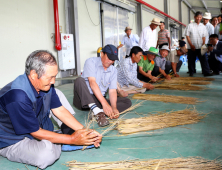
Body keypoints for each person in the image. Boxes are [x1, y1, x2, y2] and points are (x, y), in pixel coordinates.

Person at [0, 50, 102, 169]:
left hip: (34, 128)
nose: (53, 81)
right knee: (46, 155)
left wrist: (86, 132)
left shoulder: (46, 85)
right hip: (11, 139)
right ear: (33, 75)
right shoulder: (18, 96)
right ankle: (60, 140)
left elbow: (59, 110)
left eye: (55, 76)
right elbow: (35, 132)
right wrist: (72, 139)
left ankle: (58, 140)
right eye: (50, 77)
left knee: (57, 94)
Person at [73, 44, 132, 127]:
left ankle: (97, 111)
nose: (111, 61)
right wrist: (105, 104)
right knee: (79, 80)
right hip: (84, 99)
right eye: (109, 58)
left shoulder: (113, 70)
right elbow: (92, 83)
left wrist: (114, 108)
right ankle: (98, 112)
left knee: (127, 102)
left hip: (99, 100)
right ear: (102, 54)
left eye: (113, 60)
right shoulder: (91, 62)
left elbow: (112, 91)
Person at [184, 11, 213, 77]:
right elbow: (187, 36)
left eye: (200, 17)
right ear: (194, 17)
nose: (198, 18)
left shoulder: (202, 26)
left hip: (201, 46)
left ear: (201, 18)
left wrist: (203, 45)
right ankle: (191, 72)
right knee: (191, 60)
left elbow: (204, 36)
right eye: (197, 17)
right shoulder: (190, 25)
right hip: (192, 46)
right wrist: (191, 45)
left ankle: (206, 72)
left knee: (204, 59)